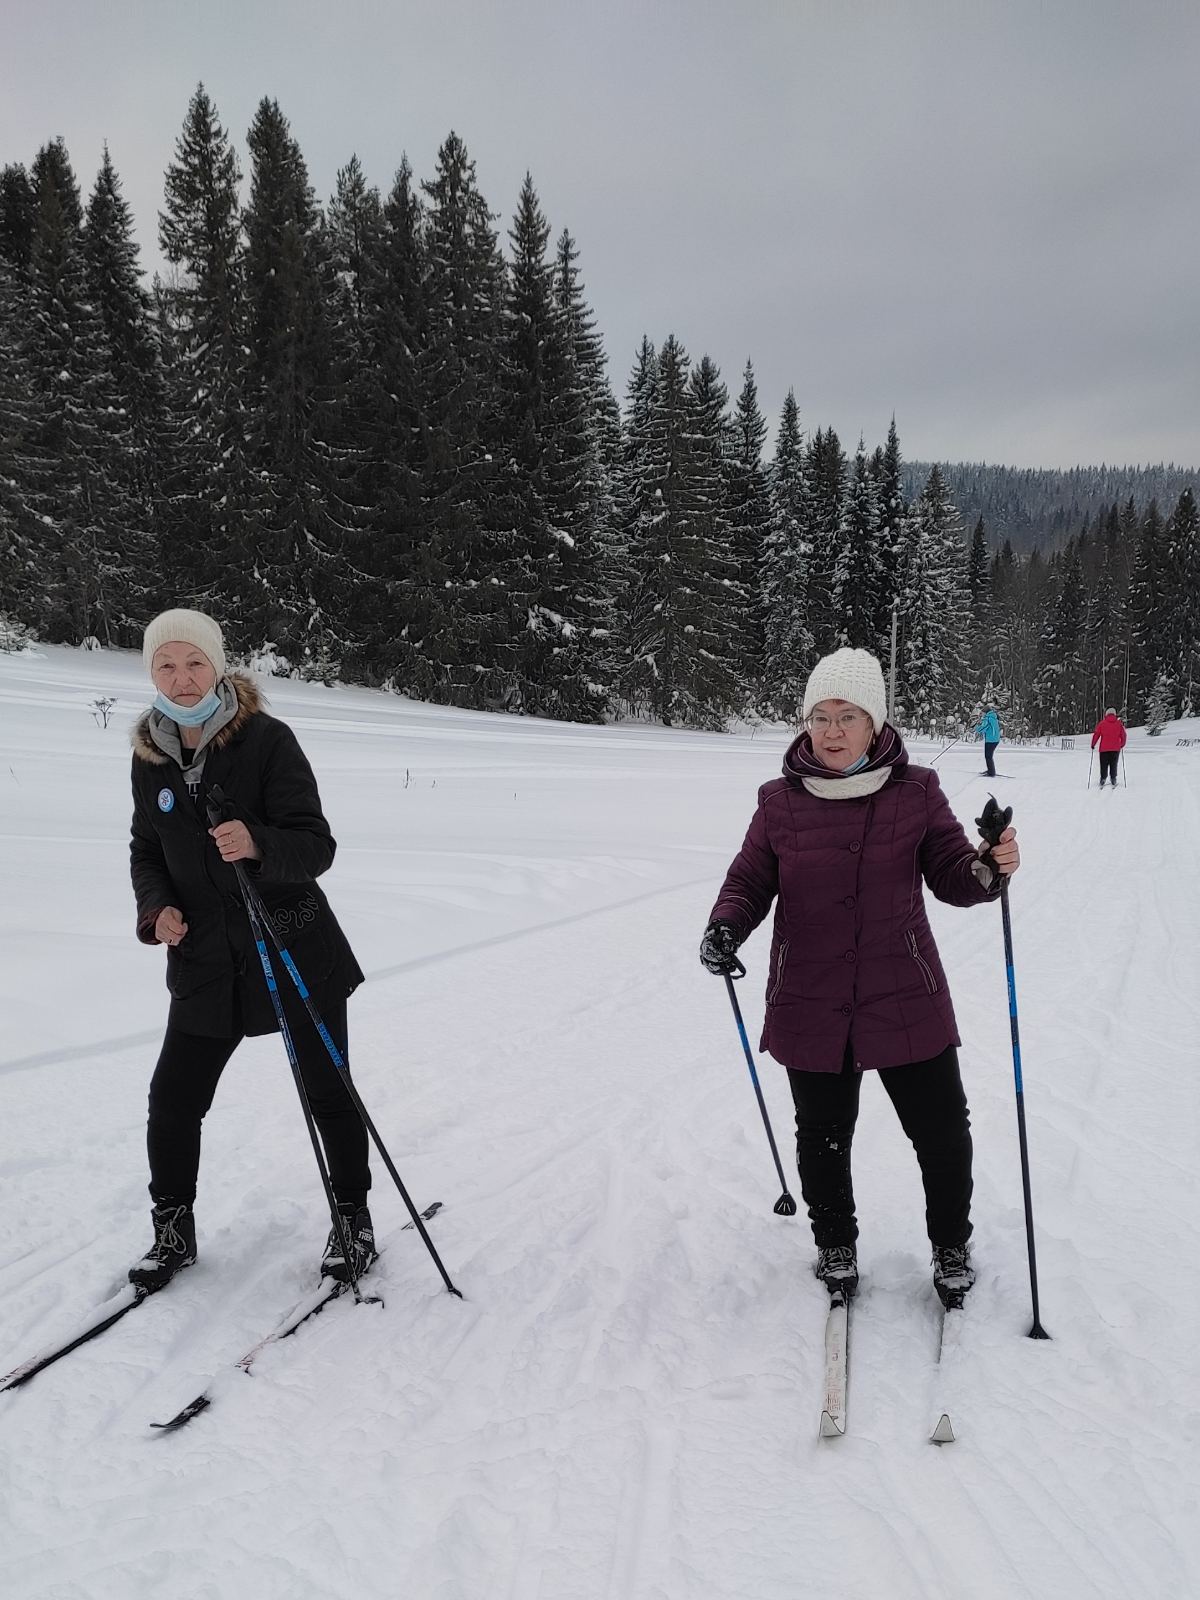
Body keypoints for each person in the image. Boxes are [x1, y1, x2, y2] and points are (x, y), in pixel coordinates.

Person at [699, 648, 1020, 1306]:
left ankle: (951, 1242)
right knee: (821, 1133)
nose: (833, 730)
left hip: (903, 988)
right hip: (809, 994)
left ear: (874, 724)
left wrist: (990, 867)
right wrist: (725, 926)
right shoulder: (778, 803)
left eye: (848, 715)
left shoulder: (917, 792)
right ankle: (834, 1242)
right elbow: (750, 880)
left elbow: (955, 875)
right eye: (820, 716)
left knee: (940, 1130)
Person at [127, 609, 372, 1291]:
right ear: (151, 672)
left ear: (219, 666)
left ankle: (353, 1217)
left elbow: (316, 845)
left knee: (329, 1092)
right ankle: (172, 1228)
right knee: (173, 1098)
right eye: (166, 666)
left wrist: (259, 842)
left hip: (289, 942)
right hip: (205, 958)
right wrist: (157, 910)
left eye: (194, 664)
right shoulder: (150, 756)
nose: (181, 679)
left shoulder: (267, 740)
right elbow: (147, 848)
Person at [1091, 707, 1127, 788]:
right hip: (1115, 748)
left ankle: (1103, 778)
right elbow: (1123, 735)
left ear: (1106, 714)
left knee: (1103, 764)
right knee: (1113, 764)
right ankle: (1113, 778)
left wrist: (1093, 744)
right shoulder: (1119, 724)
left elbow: (1096, 734)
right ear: (1114, 714)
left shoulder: (1102, 723)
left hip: (1104, 749)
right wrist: (1122, 744)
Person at [975, 705, 1002, 777]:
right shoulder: (993, 717)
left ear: (986, 712)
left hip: (991, 740)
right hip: (995, 739)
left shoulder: (988, 718)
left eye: (982, 712)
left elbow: (983, 728)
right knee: (989, 756)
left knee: (988, 756)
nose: (982, 714)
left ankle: (991, 772)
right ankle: (990, 770)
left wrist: (976, 728)